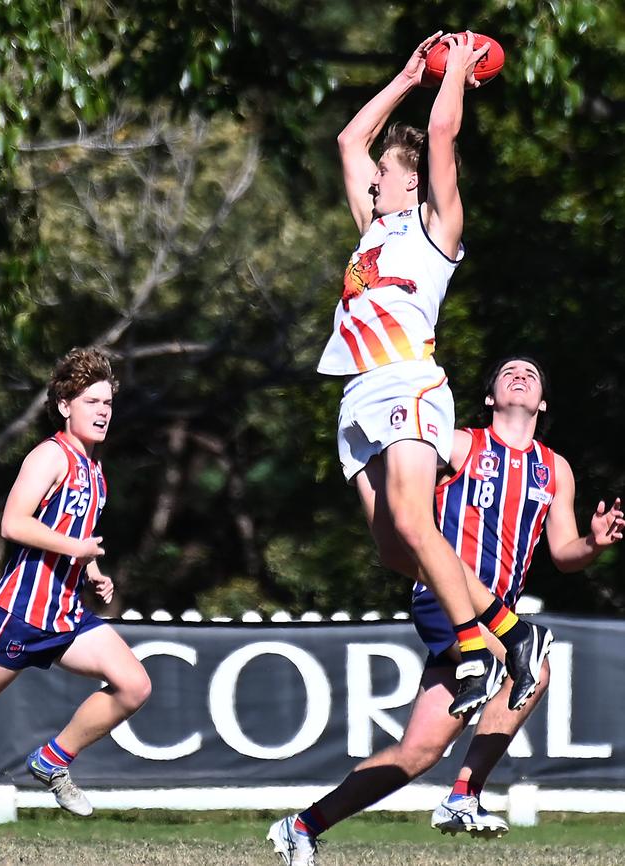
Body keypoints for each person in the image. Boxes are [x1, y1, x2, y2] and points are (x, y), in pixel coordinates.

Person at [267, 356, 623, 862]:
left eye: (531, 375)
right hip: (444, 600)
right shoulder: (459, 443)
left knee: (417, 752)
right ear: (488, 397)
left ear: (542, 401)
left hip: (493, 613)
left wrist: (594, 542)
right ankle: (463, 795)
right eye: (507, 373)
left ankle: (302, 826)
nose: (519, 377)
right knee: (532, 666)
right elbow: (403, 479)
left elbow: (564, 554)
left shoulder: (555, 468)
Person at [316, 31, 546, 720]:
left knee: (418, 524)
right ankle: (513, 629)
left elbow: (443, 132)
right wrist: (410, 75)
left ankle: (476, 649)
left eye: (386, 174)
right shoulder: (370, 229)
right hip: (356, 395)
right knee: (393, 549)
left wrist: (459, 71)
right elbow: (349, 143)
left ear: (409, 181)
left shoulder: (433, 227)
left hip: (406, 382)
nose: (375, 177)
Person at [0, 348, 152, 816]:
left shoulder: (94, 471)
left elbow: (75, 536)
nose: (102, 412)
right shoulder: (49, 456)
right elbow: (13, 524)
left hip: (66, 617)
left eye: (107, 403)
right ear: (64, 406)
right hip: (20, 614)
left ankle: (51, 761)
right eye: (91, 402)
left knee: (134, 685)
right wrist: (78, 551)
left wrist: (93, 573)